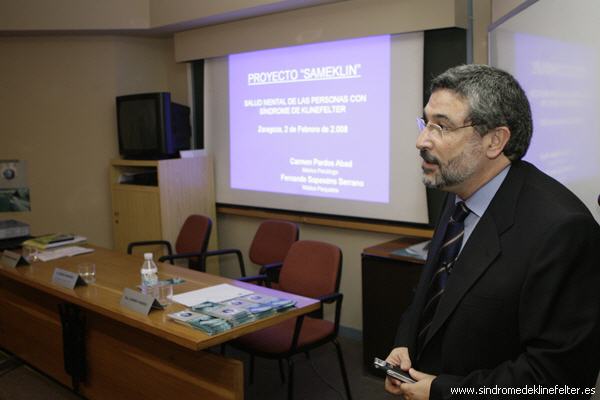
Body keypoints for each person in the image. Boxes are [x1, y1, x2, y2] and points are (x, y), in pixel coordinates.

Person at [385, 64, 600, 399]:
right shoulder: (458, 191)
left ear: (495, 141)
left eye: (442, 126)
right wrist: (405, 343)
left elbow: (561, 379)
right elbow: (434, 294)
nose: (421, 140)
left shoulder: (563, 230)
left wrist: (444, 392)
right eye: (425, 123)